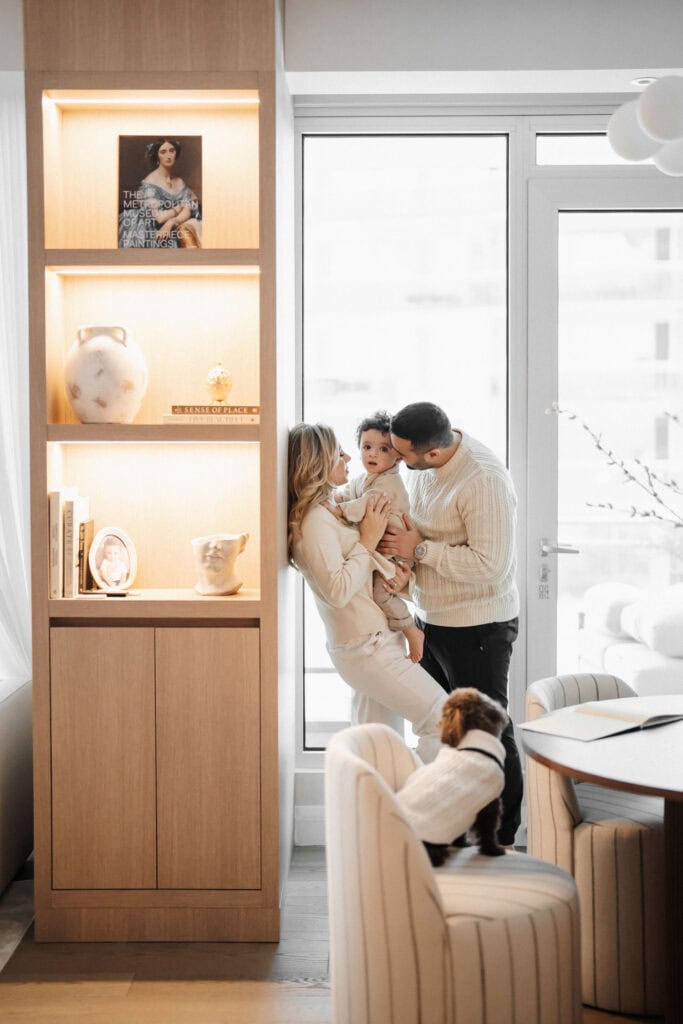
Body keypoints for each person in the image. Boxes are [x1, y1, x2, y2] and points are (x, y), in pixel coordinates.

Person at [378, 401, 523, 846]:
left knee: (487, 732)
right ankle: (456, 829)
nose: (396, 458)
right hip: (433, 620)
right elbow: (424, 532)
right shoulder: (425, 467)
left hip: (478, 628)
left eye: (403, 454)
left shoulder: (483, 479)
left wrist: (419, 551)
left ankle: (500, 839)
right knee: (446, 733)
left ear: (434, 453)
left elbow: (491, 566)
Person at [288, 422, 448, 763]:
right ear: (318, 463)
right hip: (366, 648)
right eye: (338, 453)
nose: (349, 457)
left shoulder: (330, 510)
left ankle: (385, 798)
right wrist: (368, 539)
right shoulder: (314, 522)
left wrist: (398, 576)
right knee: (443, 719)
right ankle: (426, 795)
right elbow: (337, 591)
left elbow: (362, 573)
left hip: (376, 641)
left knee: (378, 749)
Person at [331, 410, 424, 663]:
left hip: (395, 551)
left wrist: (339, 510)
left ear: (398, 456)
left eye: (383, 449)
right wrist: (333, 498)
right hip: (381, 546)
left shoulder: (388, 483)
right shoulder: (365, 479)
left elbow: (366, 504)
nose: (372, 454)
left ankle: (411, 630)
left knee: (381, 592)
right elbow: (348, 493)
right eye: (367, 447)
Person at [118, 137, 201, 249]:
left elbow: (188, 210)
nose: (168, 155)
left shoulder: (179, 181)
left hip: (170, 226)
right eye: (163, 152)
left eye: (172, 151)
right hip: (149, 229)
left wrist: (172, 221)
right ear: (157, 156)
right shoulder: (150, 181)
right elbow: (160, 218)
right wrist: (178, 208)